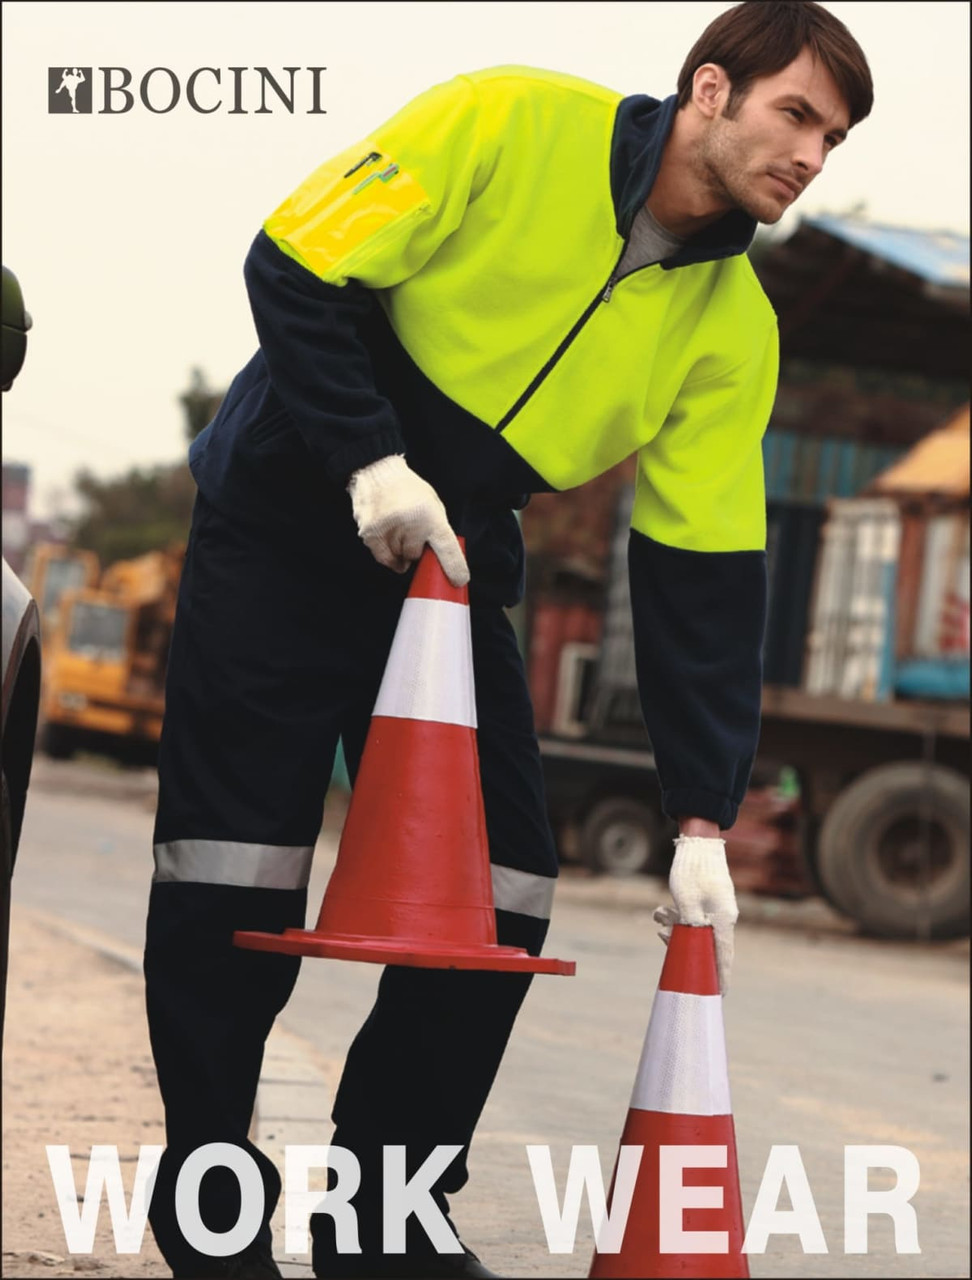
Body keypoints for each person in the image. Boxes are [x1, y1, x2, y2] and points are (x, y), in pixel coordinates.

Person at [143, 3, 872, 1277]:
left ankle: (383, 1219)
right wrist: (366, 455)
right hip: (282, 517)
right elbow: (294, 265)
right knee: (234, 869)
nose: (814, 153)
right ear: (710, 90)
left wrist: (705, 812)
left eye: (837, 136)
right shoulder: (507, 119)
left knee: (503, 893)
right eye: (797, 113)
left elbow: (703, 569)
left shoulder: (731, 325)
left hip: (448, 564)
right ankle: (211, 1204)